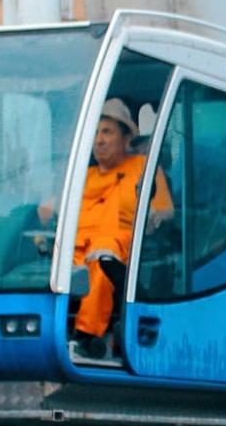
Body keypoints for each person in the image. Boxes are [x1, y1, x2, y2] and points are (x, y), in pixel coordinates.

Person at [40, 97, 169, 360]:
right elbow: (47, 210)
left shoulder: (143, 168)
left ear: (125, 139)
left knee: (101, 263)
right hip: (73, 246)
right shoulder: (83, 176)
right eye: (96, 132)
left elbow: (166, 211)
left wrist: (155, 217)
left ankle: (86, 337)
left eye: (107, 132)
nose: (99, 140)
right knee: (44, 264)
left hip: (118, 246)